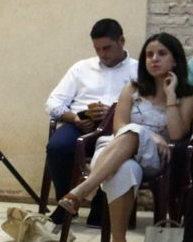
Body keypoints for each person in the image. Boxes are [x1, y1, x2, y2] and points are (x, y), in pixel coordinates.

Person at [51, 33, 193, 242]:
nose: (154, 59)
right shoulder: (133, 88)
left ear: (175, 60)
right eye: (149, 54)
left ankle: (82, 189)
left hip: (155, 157)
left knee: (135, 133)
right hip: (113, 150)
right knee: (126, 168)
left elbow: (177, 135)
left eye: (161, 54)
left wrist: (170, 97)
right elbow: (118, 127)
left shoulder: (185, 95)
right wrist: (151, 133)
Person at [43, 19, 138, 199]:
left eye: (107, 48)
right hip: (81, 125)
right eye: (97, 49)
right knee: (57, 147)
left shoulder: (139, 70)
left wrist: (113, 113)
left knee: (118, 153)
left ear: (121, 41)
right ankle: (66, 203)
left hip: (118, 130)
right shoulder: (81, 68)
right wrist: (74, 118)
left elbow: (147, 110)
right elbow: (52, 102)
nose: (102, 54)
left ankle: (101, 211)